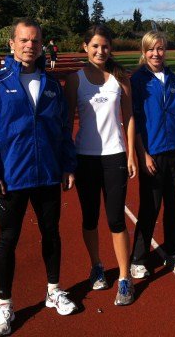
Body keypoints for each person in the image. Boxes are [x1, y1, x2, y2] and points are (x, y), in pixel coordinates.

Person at [0, 18, 77, 337]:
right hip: (11, 177)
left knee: (51, 234)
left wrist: (67, 165)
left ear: (42, 45)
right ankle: (5, 305)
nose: (30, 45)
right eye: (24, 40)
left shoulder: (51, 85)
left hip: (47, 175)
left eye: (35, 40)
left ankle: (53, 291)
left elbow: (63, 130)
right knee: (8, 240)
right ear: (12, 44)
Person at [64, 25, 137, 306]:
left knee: (116, 219)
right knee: (90, 217)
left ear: (110, 48)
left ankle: (124, 277)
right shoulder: (75, 80)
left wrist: (130, 154)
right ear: (85, 47)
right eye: (95, 46)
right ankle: (96, 265)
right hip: (85, 158)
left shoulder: (120, 78)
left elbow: (129, 117)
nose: (100, 51)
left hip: (115, 156)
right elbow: (66, 123)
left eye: (105, 46)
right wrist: (68, 163)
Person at [129, 31, 175, 278]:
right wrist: (142, 154)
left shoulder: (174, 79)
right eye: (151, 49)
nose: (156, 54)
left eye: (161, 48)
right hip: (152, 152)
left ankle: (173, 252)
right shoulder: (137, 80)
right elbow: (134, 120)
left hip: (174, 150)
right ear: (144, 52)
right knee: (150, 207)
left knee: (174, 206)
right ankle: (138, 258)